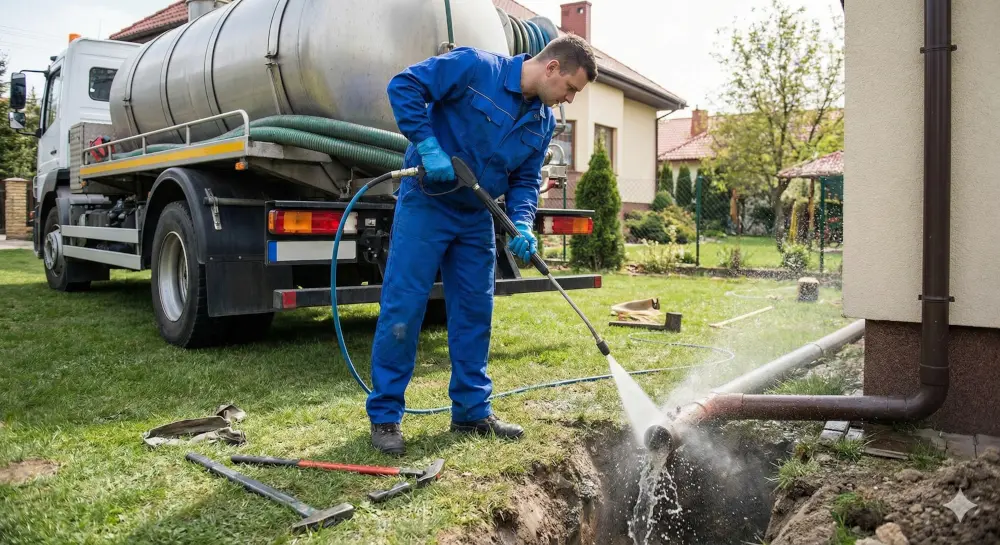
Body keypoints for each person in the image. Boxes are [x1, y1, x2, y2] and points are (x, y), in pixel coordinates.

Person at [367, 34, 598, 455]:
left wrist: (523, 225)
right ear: (551, 68)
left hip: (477, 217)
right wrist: (429, 145)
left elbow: (526, 181)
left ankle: (472, 411)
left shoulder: (542, 122)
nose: (567, 99)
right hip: (428, 204)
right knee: (404, 307)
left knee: (475, 310)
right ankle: (385, 417)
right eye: (570, 89)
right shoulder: (475, 68)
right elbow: (404, 86)